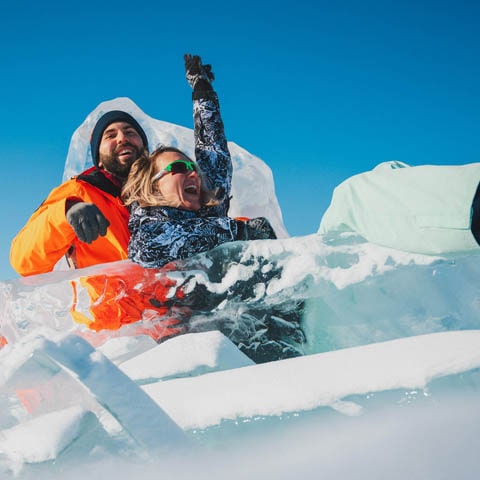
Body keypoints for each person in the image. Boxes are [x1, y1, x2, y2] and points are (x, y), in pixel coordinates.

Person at [122, 54, 276, 268]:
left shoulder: (209, 211)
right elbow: (146, 249)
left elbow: (213, 152)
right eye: (179, 167)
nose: (193, 173)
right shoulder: (148, 226)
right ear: (153, 186)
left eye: (193, 168)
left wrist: (202, 91)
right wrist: (239, 230)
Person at [10, 110, 149, 276]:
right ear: (99, 159)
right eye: (110, 135)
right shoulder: (78, 191)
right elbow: (24, 262)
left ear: (145, 148)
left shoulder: (165, 191)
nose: (122, 138)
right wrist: (65, 213)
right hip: (103, 293)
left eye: (130, 132)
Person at [319, 160, 480, 255]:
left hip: (464, 208)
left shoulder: (350, 194)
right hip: (465, 195)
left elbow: (324, 241)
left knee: (350, 195)